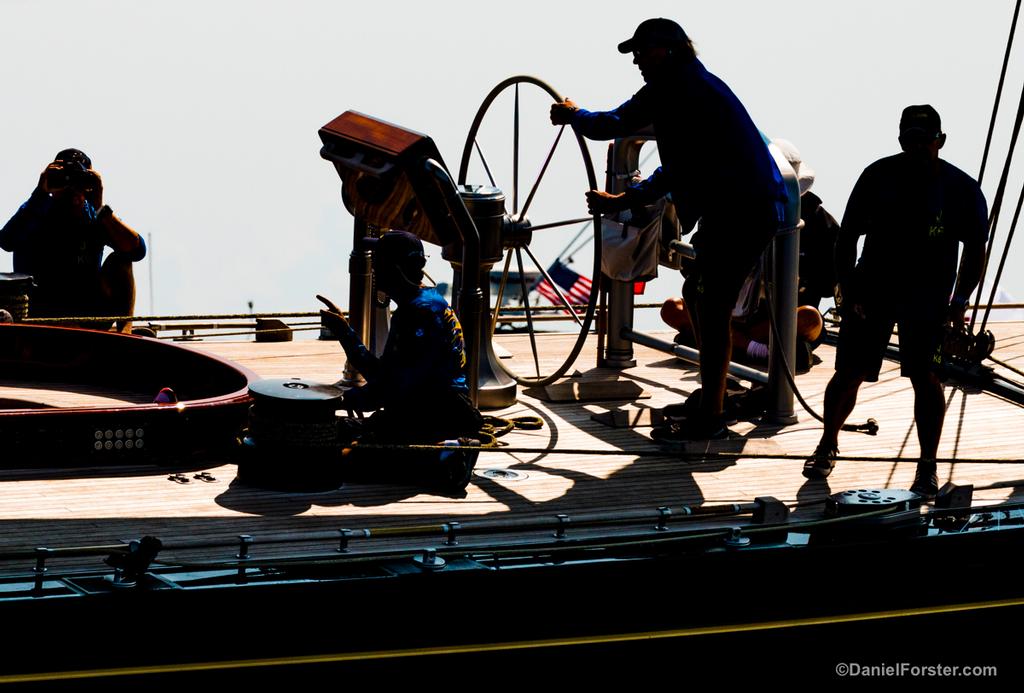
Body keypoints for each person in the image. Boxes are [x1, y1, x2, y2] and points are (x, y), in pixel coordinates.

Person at [550, 17, 787, 440]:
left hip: (742, 212)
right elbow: (681, 165)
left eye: (643, 51)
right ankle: (712, 397)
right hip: (736, 210)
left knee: (711, 307)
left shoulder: (676, 87)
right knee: (698, 293)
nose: (637, 60)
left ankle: (711, 415)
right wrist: (625, 201)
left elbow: (613, 124)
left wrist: (573, 115)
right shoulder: (690, 85)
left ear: (669, 50)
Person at [803, 105, 987, 499]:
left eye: (925, 139)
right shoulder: (878, 175)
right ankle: (827, 443)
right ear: (900, 139)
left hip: (929, 297)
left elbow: (974, 251)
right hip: (873, 290)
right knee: (850, 372)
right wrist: (848, 290)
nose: (917, 146)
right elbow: (847, 237)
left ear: (941, 140)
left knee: (927, 378)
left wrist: (959, 303)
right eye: (909, 139)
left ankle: (927, 466)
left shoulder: (961, 189)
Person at [318, 230, 482, 444]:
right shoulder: (426, 301)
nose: (374, 268)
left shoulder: (418, 314)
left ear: (393, 269)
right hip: (426, 407)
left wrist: (329, 401)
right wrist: (344, 332)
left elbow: (386, 391)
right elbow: (385, 377)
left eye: (377, 261)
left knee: (335, 435)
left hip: (438, 416)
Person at [0, 149, 146, 332]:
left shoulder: (94, 216)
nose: (73, 192)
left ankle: (125, 333)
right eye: (65, 181)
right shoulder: (35, 211)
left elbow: (136, 251)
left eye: (81, 183)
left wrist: (101, 208)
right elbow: (6, 241)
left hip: (88, 314)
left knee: (121, 261)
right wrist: (40, 193)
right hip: (41, 316)